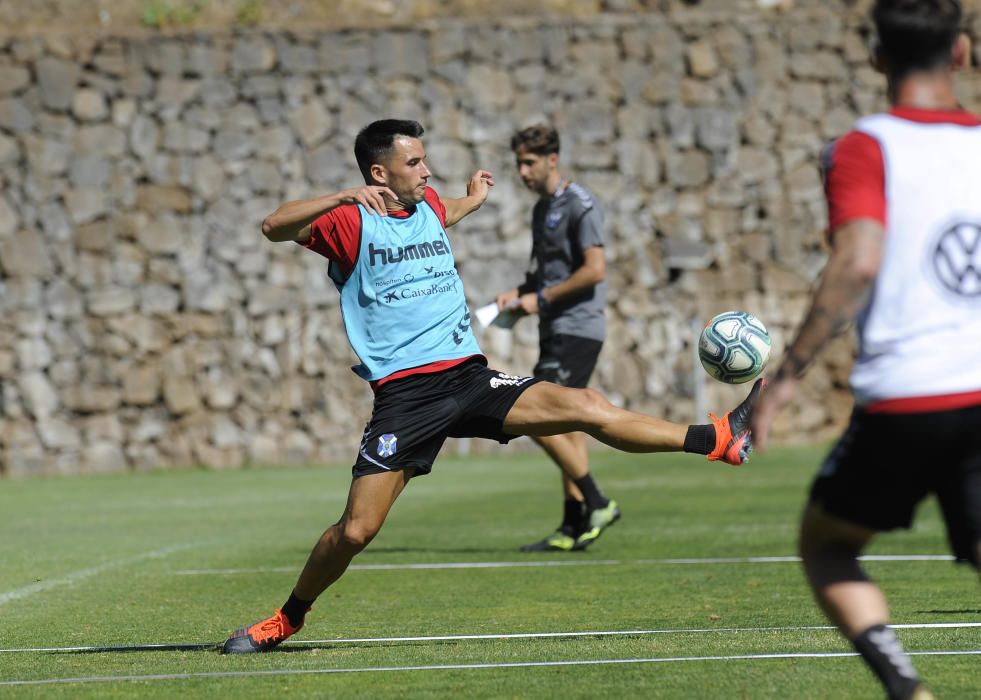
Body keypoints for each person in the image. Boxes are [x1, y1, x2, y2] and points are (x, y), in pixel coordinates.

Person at [222, 118, 762, 654]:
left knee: (586, 406)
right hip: (406, 398)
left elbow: (448, 211)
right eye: (414, 162)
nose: (426, 169)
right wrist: (344, 195)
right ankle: (286, 619)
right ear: (378, 172)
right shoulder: (349, 222)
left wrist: (474, 198)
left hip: (471, 377)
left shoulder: (429, 204)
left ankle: (718, 438)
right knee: (356, 532)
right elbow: (273, 226)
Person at [749, 2, 980, 699]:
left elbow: (854, 263)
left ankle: (906, 688)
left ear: (876, 56)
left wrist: (786, 376)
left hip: (906, 398)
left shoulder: (863, 146)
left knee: (826, 546)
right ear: (962, 53)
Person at [494, 124, 618, 552]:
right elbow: (543, 273)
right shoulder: (540, 209)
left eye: (528, 163)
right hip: (557, 326)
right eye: (518, 164)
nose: (522, 172)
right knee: (568, 424)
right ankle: (574, 523)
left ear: (552, 159)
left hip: (578, 327)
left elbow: (593, 270)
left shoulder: (580, 205)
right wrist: (521, 292)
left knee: (535, 414)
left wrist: (541, 297)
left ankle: (598, 501)